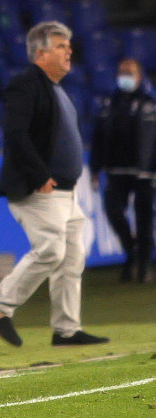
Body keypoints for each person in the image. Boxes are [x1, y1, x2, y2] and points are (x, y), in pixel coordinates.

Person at [0, 21, 109, 347]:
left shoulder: (56, 89)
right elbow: (15, 134)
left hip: (67, 192)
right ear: (40, 52)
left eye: (69, 46)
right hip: (40, 189)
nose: (69, 52)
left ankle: (66, 329)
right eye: (61, 46)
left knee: (71, 258)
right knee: (51, 250)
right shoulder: (26, 84)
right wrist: (39, 174)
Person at [90, 58, 156, 284]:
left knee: (144, 218)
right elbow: (97, 137)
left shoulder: (150, 103)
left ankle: (143, 266)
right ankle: (131, 251)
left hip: (145, 171)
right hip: (115, 169)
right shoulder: (109, 103)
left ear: (139, 76)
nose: (124, 76)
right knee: (113, 211)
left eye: (129, 72)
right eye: (121, 72)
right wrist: (95, 167)